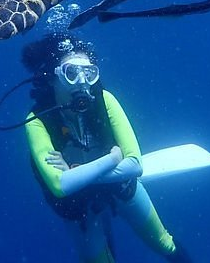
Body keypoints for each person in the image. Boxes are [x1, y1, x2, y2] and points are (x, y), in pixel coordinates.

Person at [21, 33, 192, 262]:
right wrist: (111, 160)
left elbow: (135, 165)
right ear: (52, 77)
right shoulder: (37, 121)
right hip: (78, 207)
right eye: (72, 73)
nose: (82, 81)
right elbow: (60, 186)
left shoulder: (105, 100)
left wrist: (76, 171)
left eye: (89, 73)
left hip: (120, 188)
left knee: (165, 244)